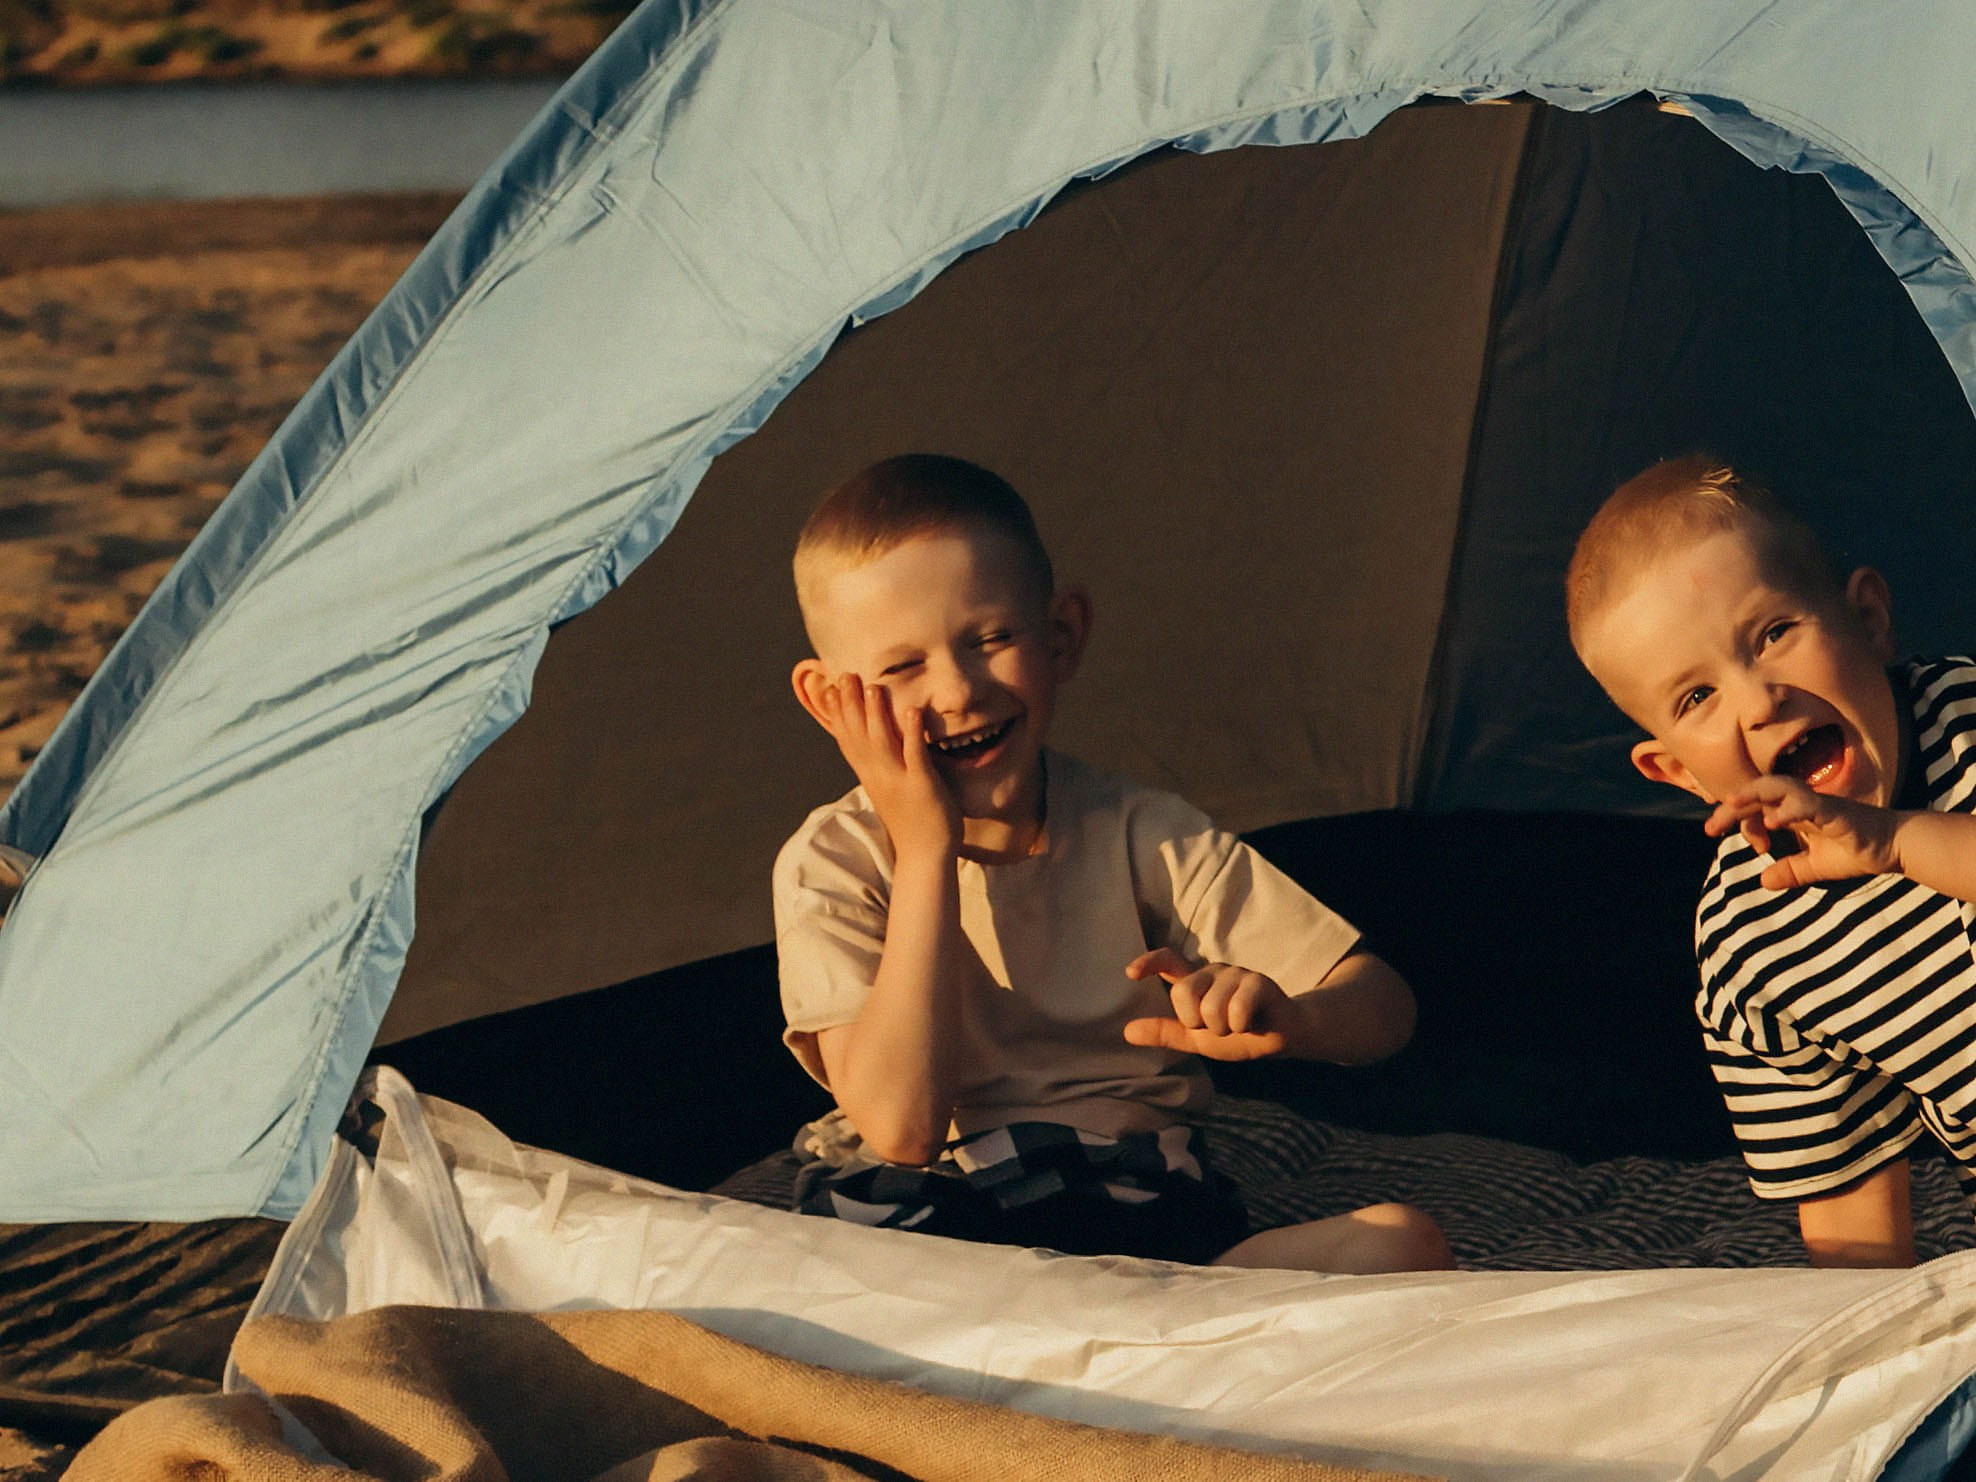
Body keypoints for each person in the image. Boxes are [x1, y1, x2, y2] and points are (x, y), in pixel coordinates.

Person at [772, 453, 1453, 1273]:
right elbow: (901, 1127)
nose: (957, 692)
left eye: (991, 639)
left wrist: (1294, 1020)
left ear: (1062, 636)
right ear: (830, 700)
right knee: (870, 1275)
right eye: (902, 667)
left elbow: (1383, 1007)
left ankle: (1112, 1330)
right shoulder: (833, 861)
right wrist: (925, 850)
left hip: (1129, 1200)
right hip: (929, 1213)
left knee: (1401, 1242)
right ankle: (1100, 1335)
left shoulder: (1143, 834)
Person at [1567, 452, 1976, 1268]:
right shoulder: (1749, 944)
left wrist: (1897, 840)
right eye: (1697, 697)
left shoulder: (1964, 719)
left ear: (1869, 620)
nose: (1759, 701)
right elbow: (1849, 1205)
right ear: (1677, 772)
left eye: (1774, 635)